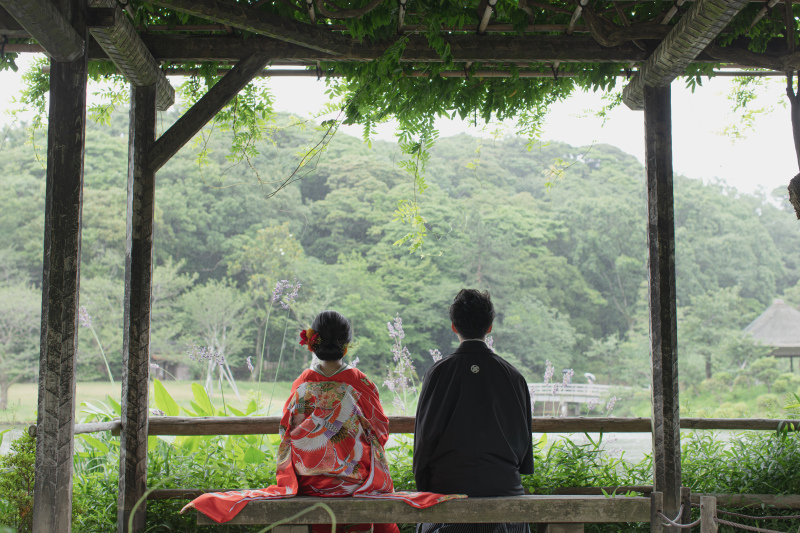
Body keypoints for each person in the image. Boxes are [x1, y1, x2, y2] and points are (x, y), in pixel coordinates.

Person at [183, 310, 462, 527]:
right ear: (347, 344)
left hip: (308, 483)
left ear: (312, 341)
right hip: (354, 483)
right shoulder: (359, 382)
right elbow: (380, 432)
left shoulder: (303, 383)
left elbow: (286, 432)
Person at [413, 289, 534, 533]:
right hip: (505, 498)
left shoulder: (437, 374)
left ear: (453, 327)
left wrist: (427, 485)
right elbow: (523, 449)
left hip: (448, 496)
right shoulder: (513, 376)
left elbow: (424, 441)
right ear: (489, 328)